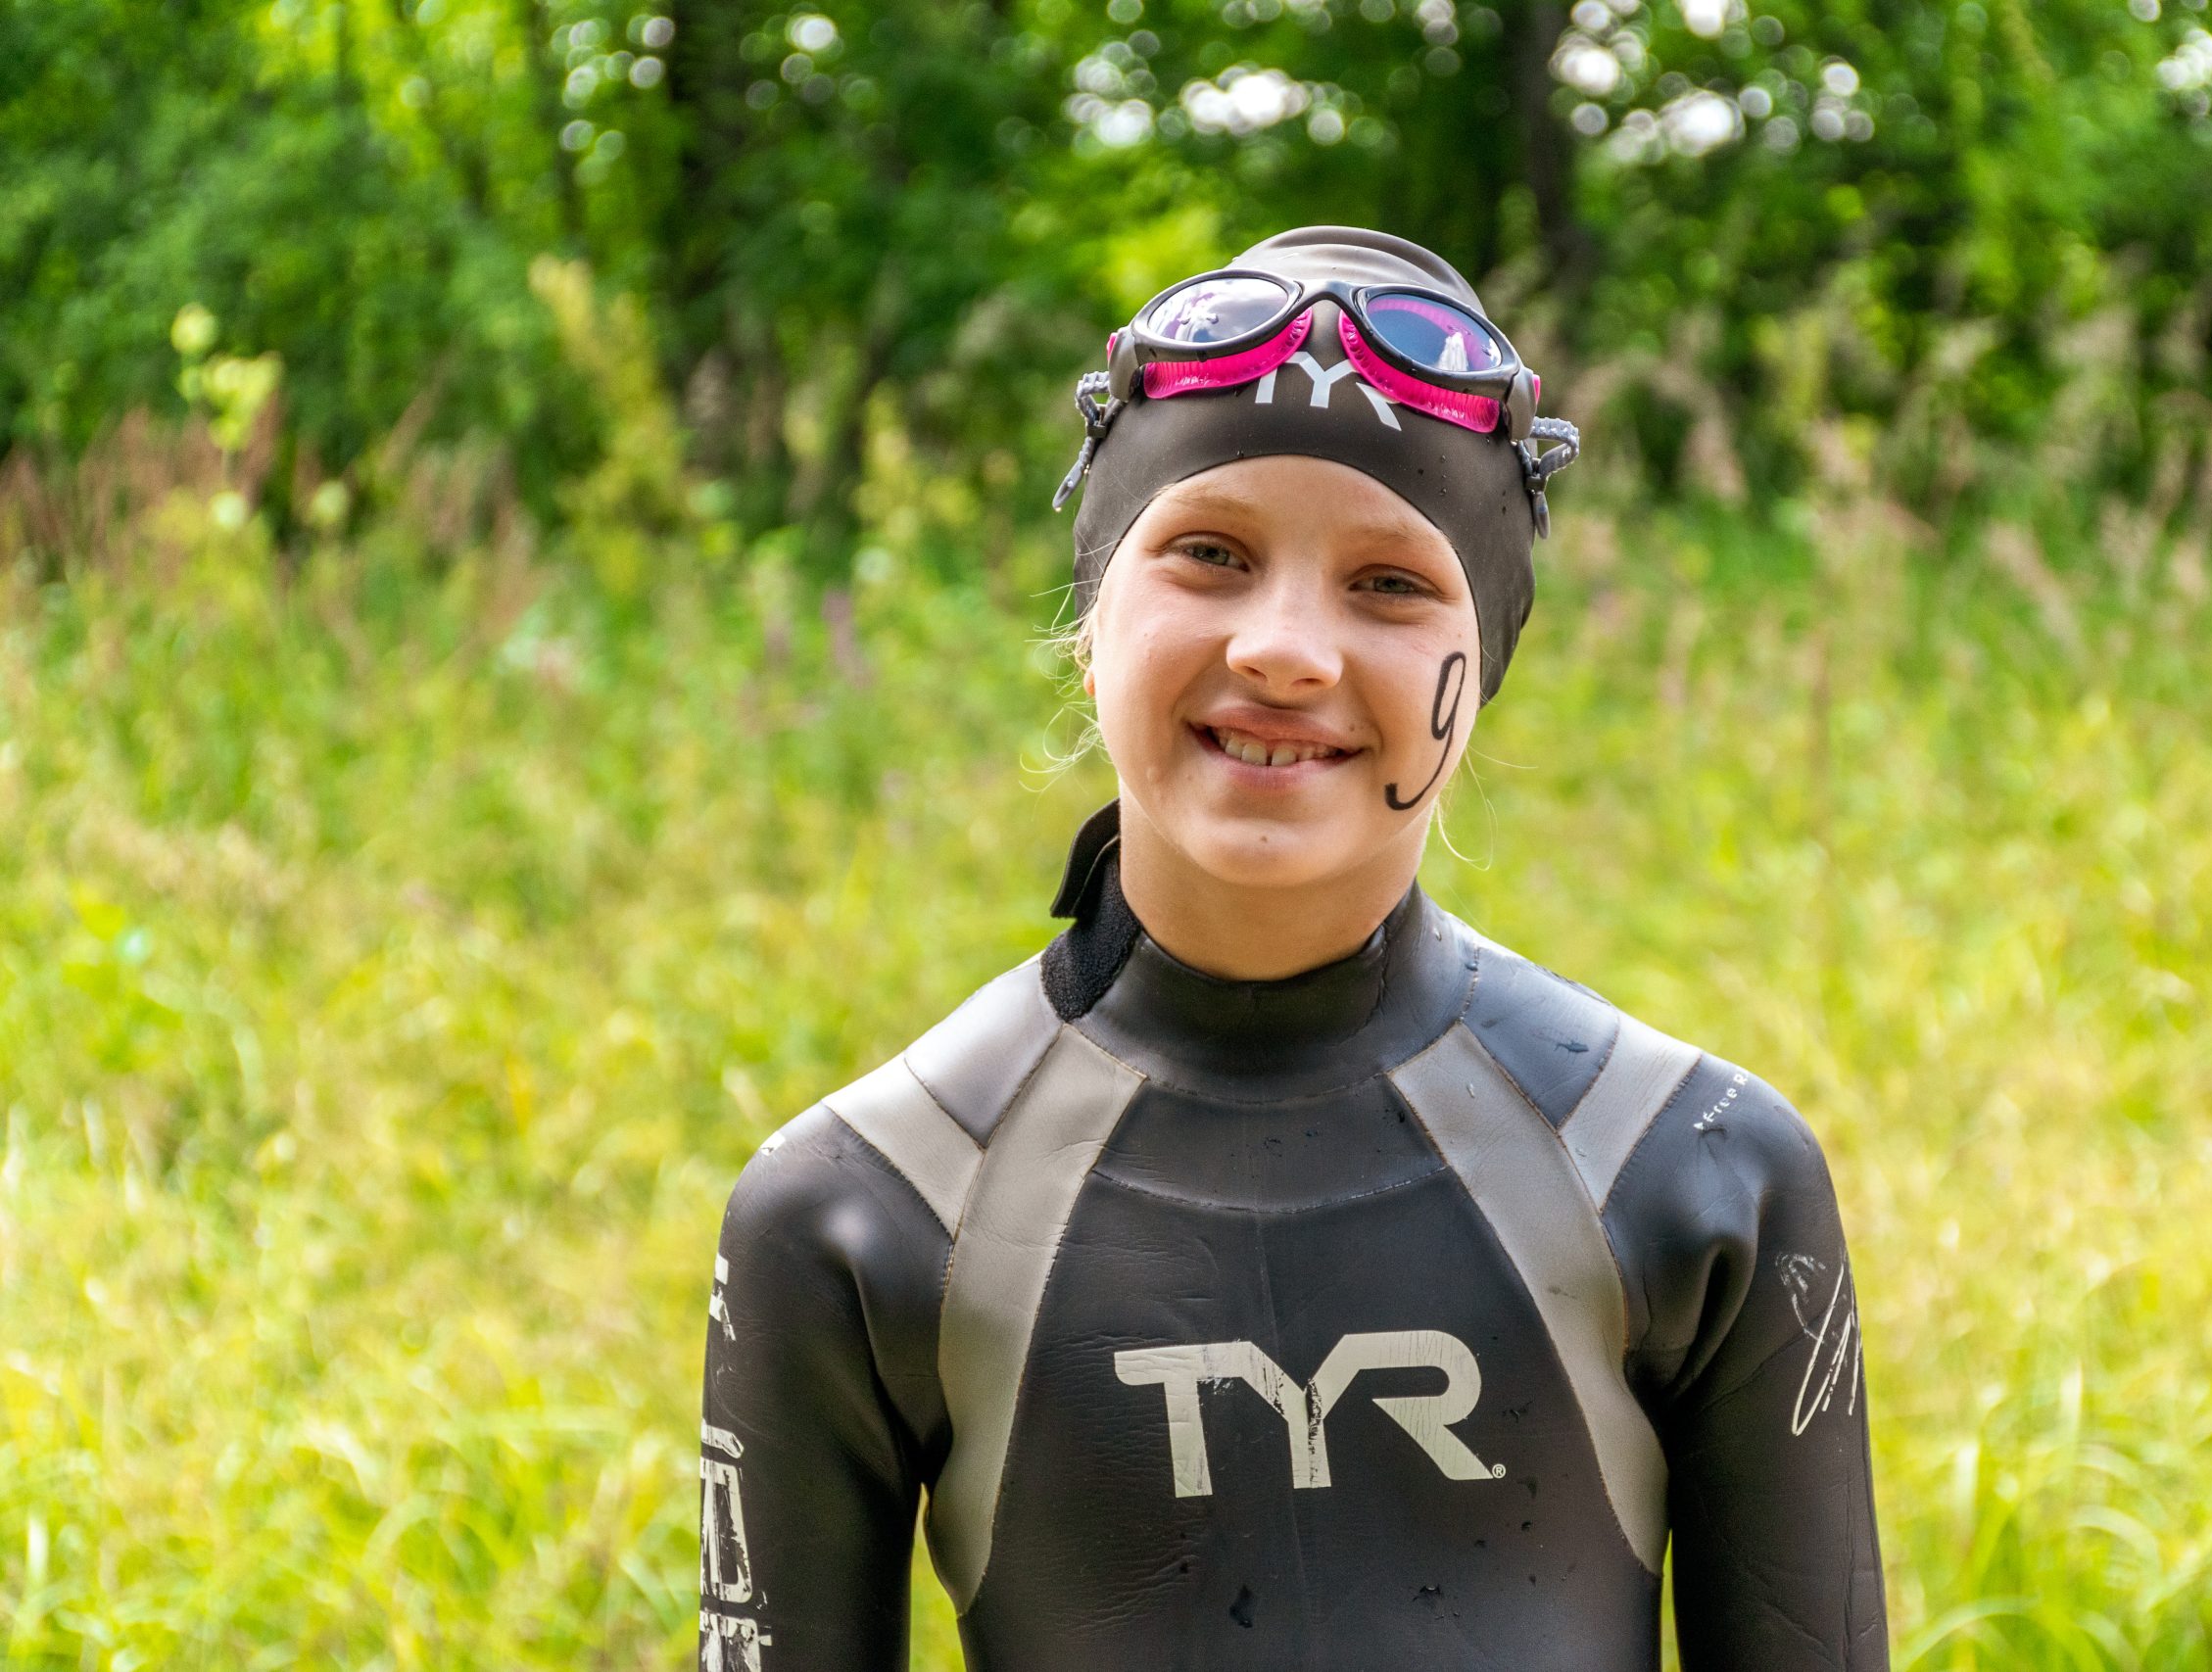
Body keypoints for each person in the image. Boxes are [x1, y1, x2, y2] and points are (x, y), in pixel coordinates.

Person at [697, 226, 1886, 1671]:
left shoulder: (1691, 1169)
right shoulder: (866, 1208)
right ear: (1091, 627)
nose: (1287, 650)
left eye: (1391, 584)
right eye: (1210, 554)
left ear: (1479, 675)